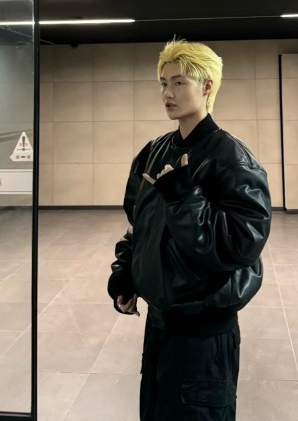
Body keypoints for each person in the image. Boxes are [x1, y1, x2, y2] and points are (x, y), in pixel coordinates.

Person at [107, 38, 271, 421]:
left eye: (179, 82)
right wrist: (127, 275)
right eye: (164, 83)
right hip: (160, 323)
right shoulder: (154, 151)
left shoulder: (231, 158)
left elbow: (239, 246)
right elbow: (141, 227)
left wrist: (184, 199)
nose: (168, 93)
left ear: (207, 86)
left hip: (204, 334)